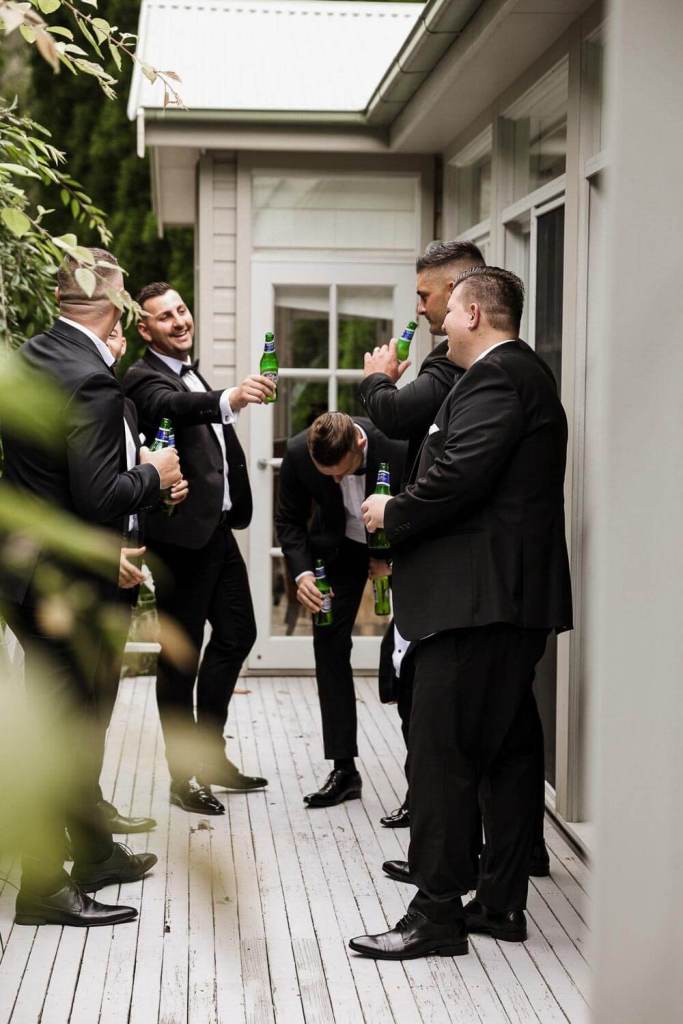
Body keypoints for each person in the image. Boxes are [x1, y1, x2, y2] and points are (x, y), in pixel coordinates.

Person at [351, 267, 572, 960]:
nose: (438, 324)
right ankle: (500, 904)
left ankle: (435, 915)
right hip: (496, 601)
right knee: (505, 756)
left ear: (473, 312)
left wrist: (393, 511)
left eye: (446, 312)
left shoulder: (499, 378)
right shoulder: (509, 376)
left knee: (441, 760)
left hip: (478, 604)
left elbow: (456, 476)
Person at [0, 250, 181, 928]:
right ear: (113, 306)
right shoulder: (93, 382)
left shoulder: (30, 358)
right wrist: (155, 472)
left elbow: (42, 477)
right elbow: (102, 494)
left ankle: (97, 852)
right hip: (65, 589)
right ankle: (43, 889)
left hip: (24, 573)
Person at [123, 283, 274, 816]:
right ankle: (183, 777)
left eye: (181, 310)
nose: (179, 321)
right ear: (145, 330)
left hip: (216, 531)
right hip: (178, 539)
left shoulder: (189, 368)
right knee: (180, 659)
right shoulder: (144, 380)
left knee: (238, 633)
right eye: (165, 318)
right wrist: (229, 397)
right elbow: (176, 408)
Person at [359, 239, 485, 830]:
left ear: (462, 294)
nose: (421, 309)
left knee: (427, 699)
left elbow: (394, 415)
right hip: (447, 561)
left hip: (448, 565)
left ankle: (434, 820)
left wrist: (376, 381)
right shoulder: (466, 364)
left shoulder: (454, 367)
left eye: (425, 294)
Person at [275, 412, 406, 807]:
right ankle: (344, 769)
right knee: (329, 649)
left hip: (400, 550)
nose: (334, 482)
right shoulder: (299, 452)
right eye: (325, 475)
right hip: (338, 552)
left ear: (360, 446)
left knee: (410, 656)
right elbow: (289, 521)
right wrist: (301, 576)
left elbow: (427, 506)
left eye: (340, 473)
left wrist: (392, 558)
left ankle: (421, 782)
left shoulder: (398, 446)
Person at [88, 322, 188, 836]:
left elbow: (126, 482)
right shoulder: (88, 400)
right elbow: (88, 493)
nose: (115, 343)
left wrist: (159, 489)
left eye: (116, 336)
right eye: (107, 334)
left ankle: (91, 806)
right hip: (98, 565)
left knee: (103, 694)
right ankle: (79, 816)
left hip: (126, 556)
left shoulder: (121, 405)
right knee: (86, 700)